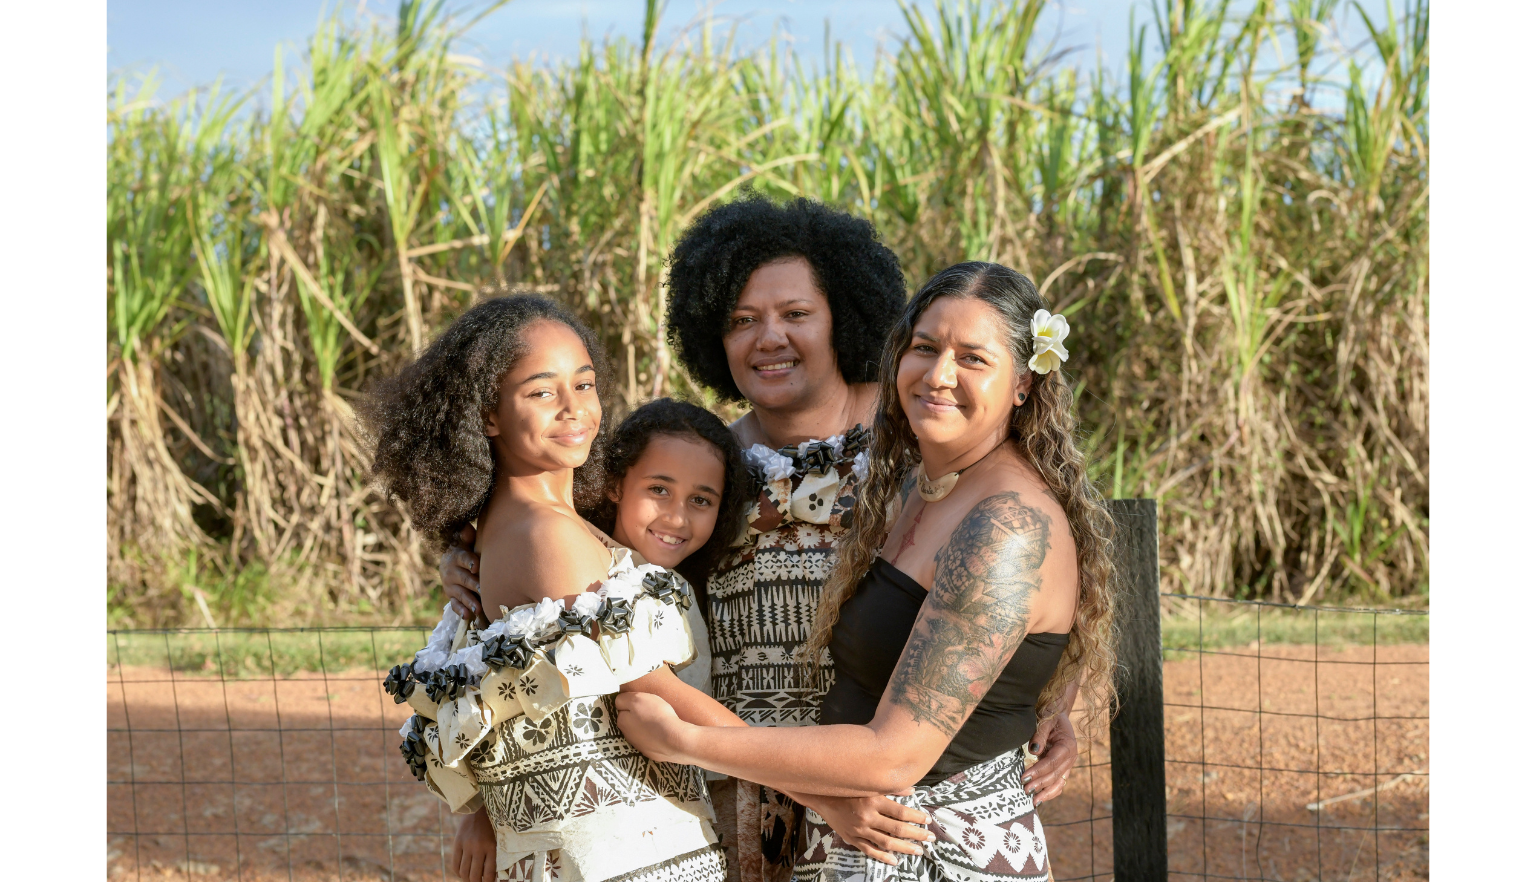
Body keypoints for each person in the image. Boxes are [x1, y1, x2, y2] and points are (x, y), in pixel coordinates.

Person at [437, 196, 1083, 878]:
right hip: (729, 791)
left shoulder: (920, 447)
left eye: (795, 315)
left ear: (845, 318)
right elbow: (556, 619)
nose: (767, 338)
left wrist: (1053, 702)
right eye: (742, 321)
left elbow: (1037, 583)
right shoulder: (693, 467)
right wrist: (480, 800)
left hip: (880, 798)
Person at [613, 263, 1118, 882]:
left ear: (1023, 384)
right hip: (860, 839)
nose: (939, 375)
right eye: (925, 348)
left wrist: (682, 740)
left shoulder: (1007, 525)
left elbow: (894, 754)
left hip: (930, 849)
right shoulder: (914, 486)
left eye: (974, 359)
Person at [368, 295, 746, 882]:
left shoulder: (513, 527)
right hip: (625, 856)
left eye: (585, 384)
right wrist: (825, 788)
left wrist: (484, 811)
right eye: (543, 392)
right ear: (487, 414)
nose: (575, 409)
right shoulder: (547, 535)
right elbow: (659, 693)